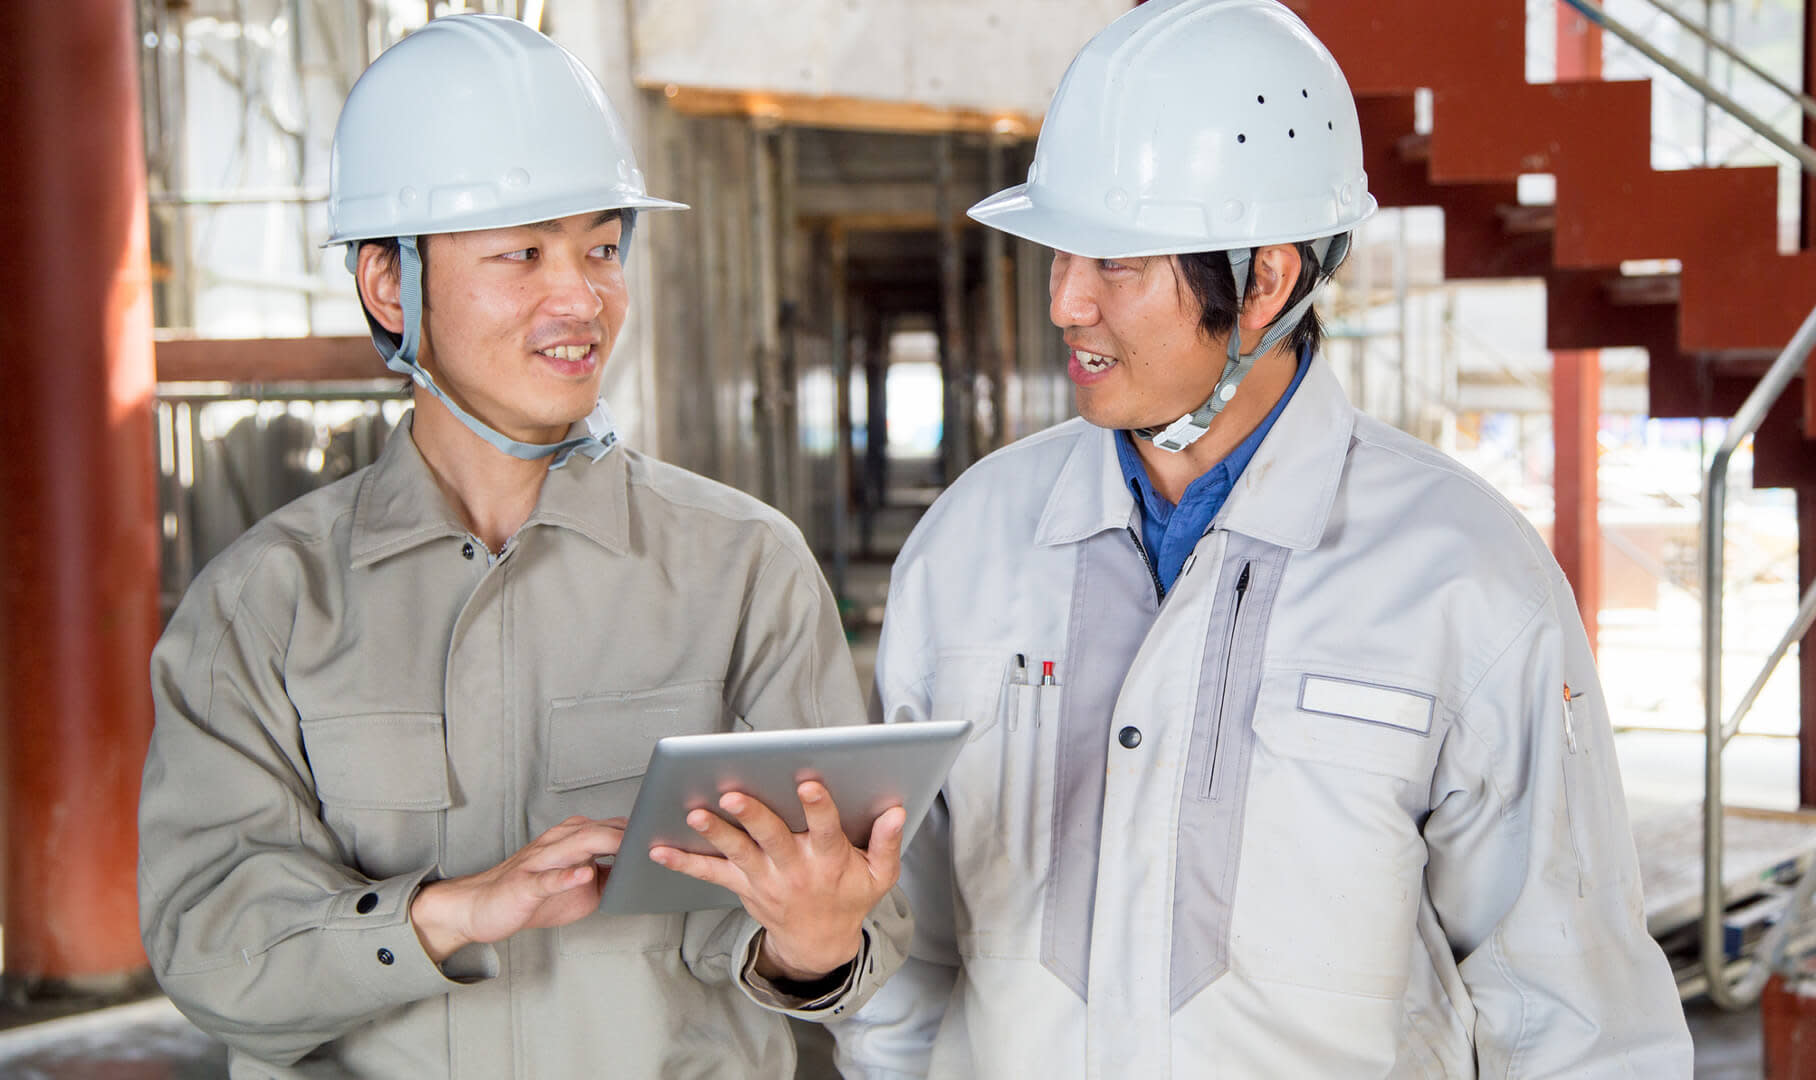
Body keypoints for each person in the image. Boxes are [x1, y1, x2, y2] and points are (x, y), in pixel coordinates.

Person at [829, 0, 1692, 1075]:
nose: (1066, 303)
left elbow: (1575, 1011)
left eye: (1118, 264)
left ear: (1265, 281)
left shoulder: (1463, 580)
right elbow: (908, 960)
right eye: (1060, 253)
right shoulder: (966, 549)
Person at [138, 15, 908, 1078]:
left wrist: (817, 941)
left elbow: (846, 933)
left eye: (601, 247)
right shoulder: (263, 607)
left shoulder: (741, 569)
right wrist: (448, 916)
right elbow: (211, 953)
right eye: (523, 253)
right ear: (390, 285)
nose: (580, 297)